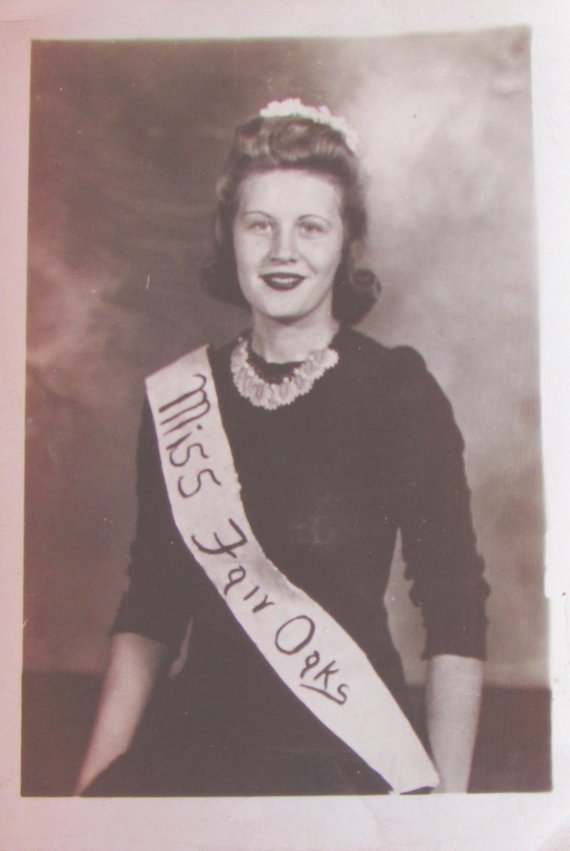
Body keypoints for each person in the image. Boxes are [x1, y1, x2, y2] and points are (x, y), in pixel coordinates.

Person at [75, 99, 489, 797]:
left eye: (311, 227)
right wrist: (85, 796)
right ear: (228, 236)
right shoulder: (180, 395)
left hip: (350, 758)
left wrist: (447, 816)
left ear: (345, 242)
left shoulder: (396, 391)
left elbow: (455, 609)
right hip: (196, 754)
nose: (282, 252)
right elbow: (151, 609)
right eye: (258, 225)